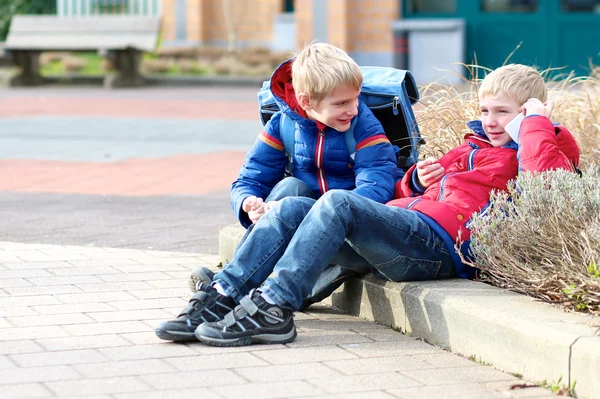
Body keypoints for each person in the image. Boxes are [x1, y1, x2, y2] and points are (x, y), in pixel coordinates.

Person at [156, 63, 580, 347]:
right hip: (404, 231)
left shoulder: (541, 147)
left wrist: (535, 123)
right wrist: (414, 179)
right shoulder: (471, 147)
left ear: (528, 113)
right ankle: (222, 293)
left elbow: (547, 185)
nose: (490, 121)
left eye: (503, 113)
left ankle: (275, 307)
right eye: (485, 110)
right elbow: (395, 191)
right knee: (289, 207)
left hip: (439, 250)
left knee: (338, 202)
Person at [156, 42, 398, 341]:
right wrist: (249, 204)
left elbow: (375, 190)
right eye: (340, 103)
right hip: (298, 249)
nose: (354, 109)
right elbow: (248, 181)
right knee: (289, 187)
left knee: (291, 198)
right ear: (307, 101)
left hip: (348, 238)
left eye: (355, 98)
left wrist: (289, 211)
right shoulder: (283, 123)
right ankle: (221, 295)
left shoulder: (364, 126)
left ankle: (232, 287)